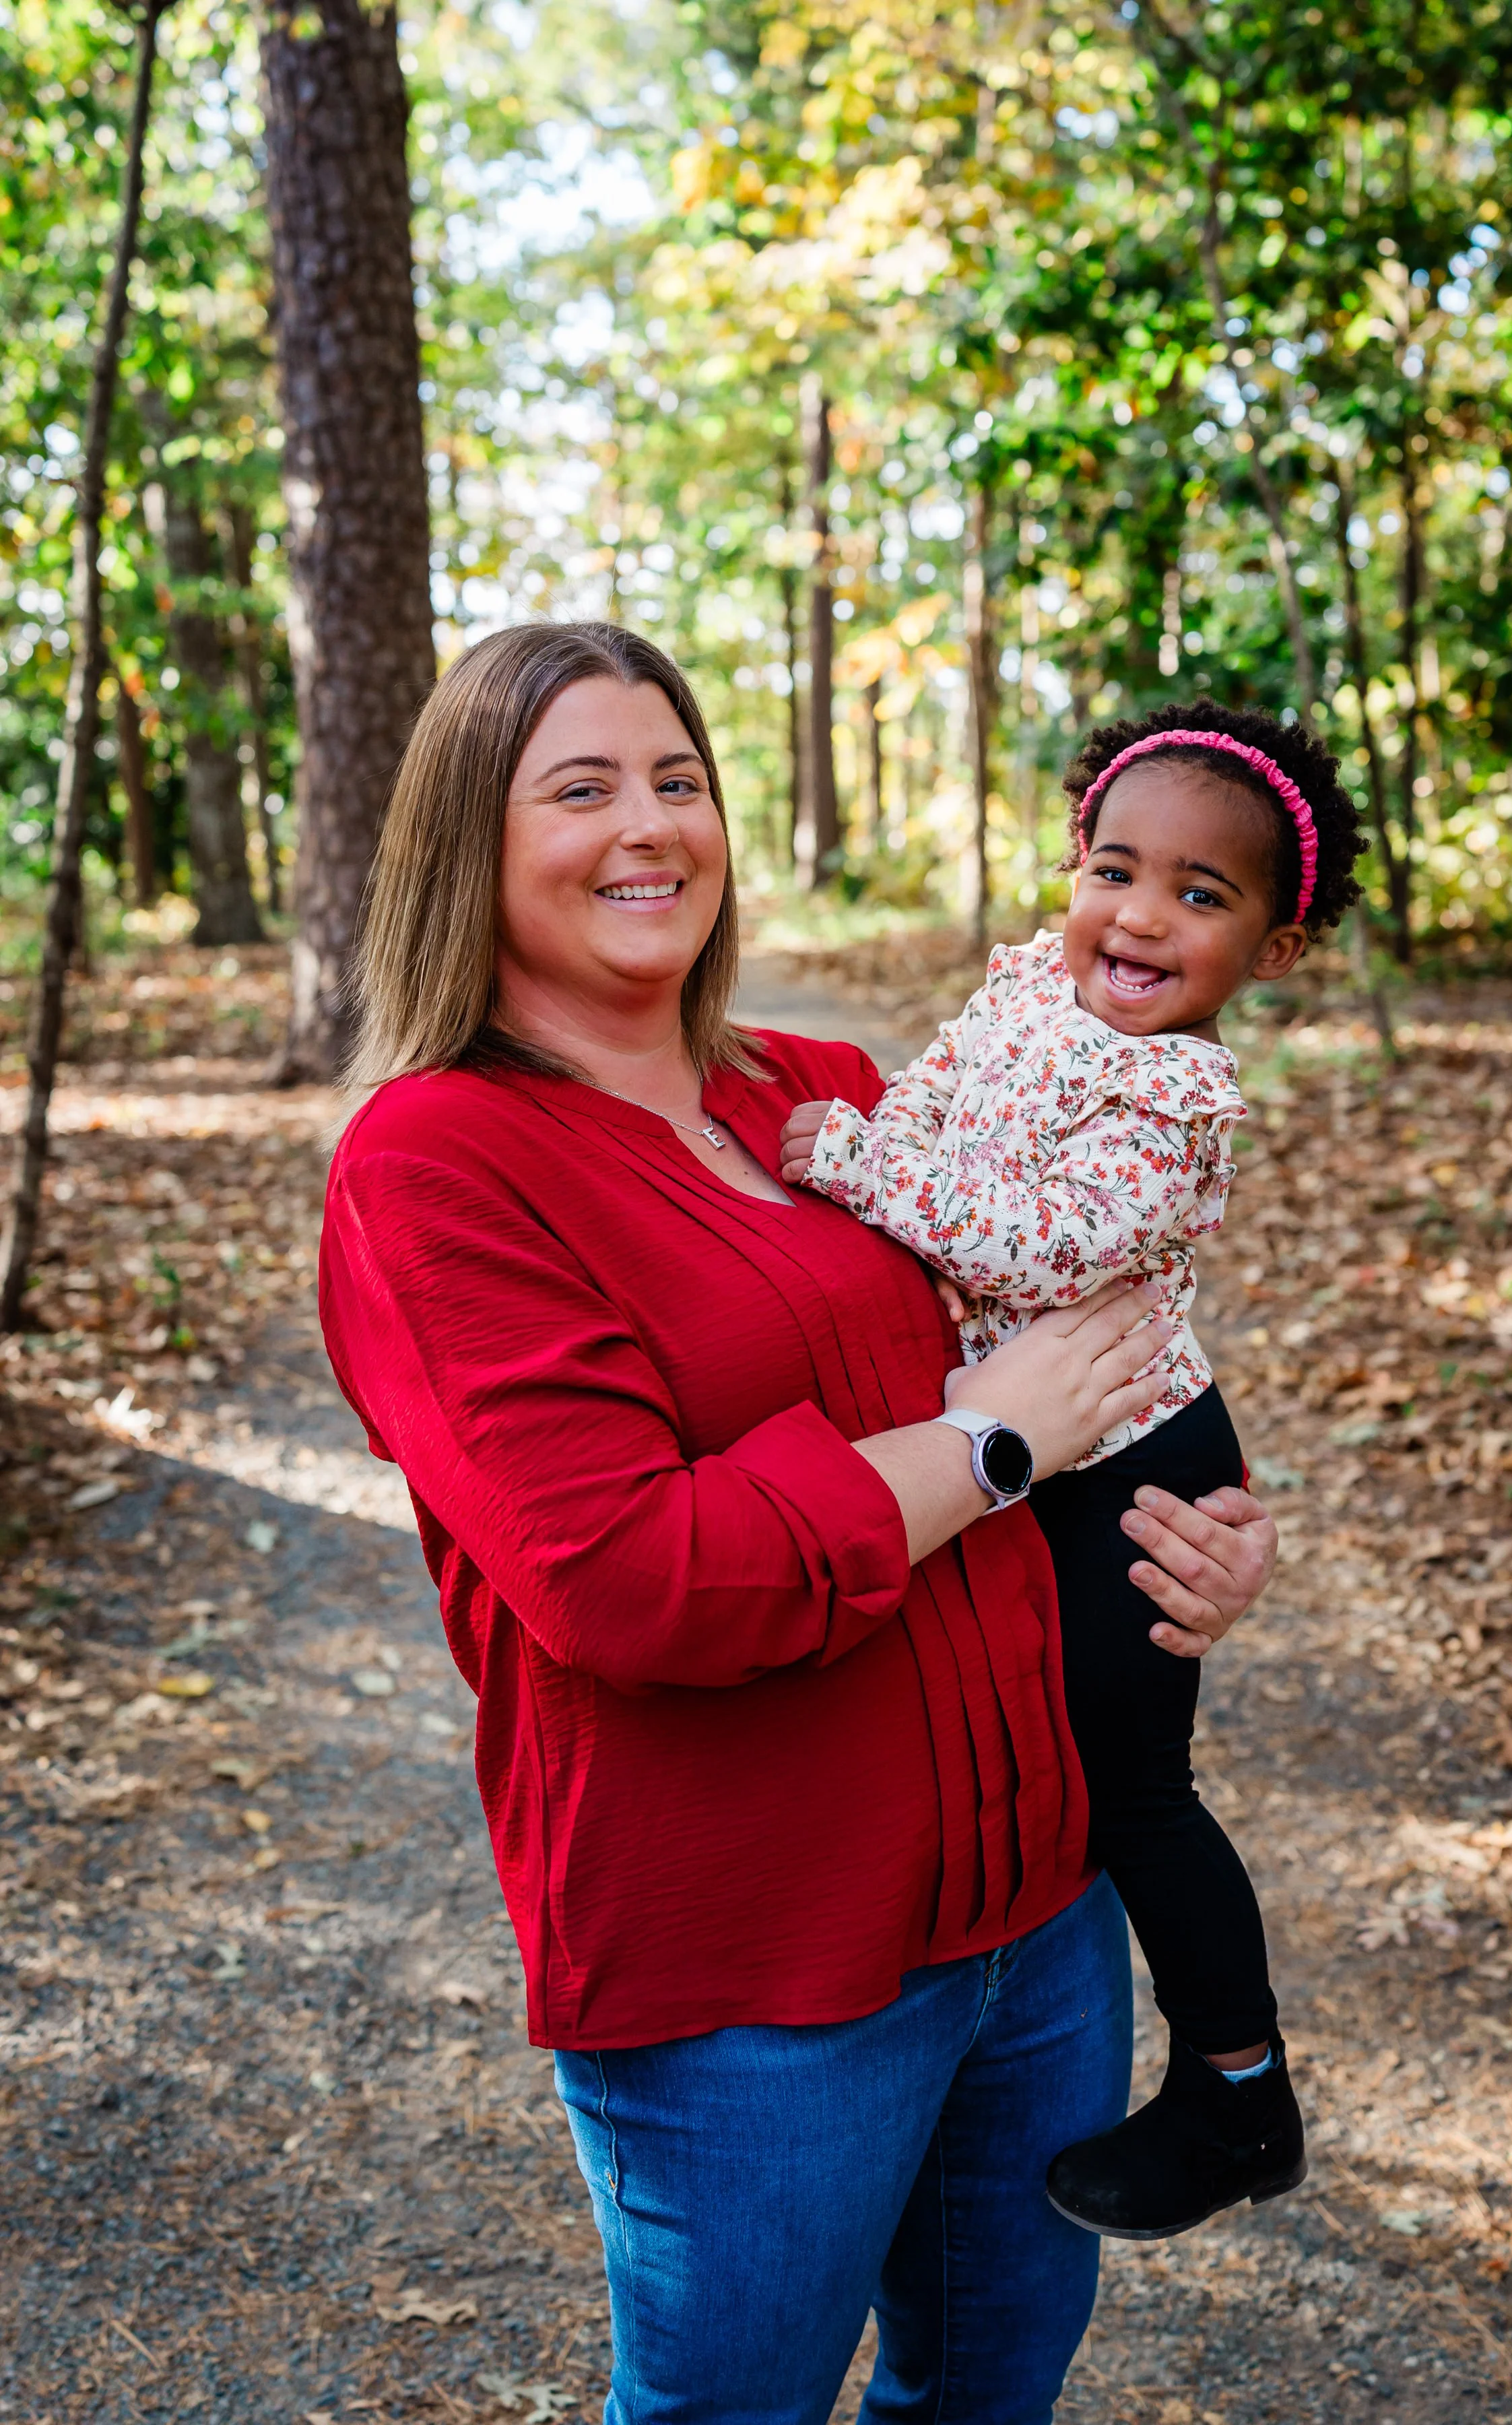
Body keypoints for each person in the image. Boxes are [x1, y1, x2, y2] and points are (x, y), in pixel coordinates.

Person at [319, 624, 1280, 2425]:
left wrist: (1196, 1537)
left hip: (1042, 1909)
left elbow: (1086, 1324)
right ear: (468, 838)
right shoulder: (433, 1167)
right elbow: (629, 1581)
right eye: (583, 786)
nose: (650, 826)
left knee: (987, 2397)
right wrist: (986, 1448)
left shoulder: (816, 1087)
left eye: (679, 780)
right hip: (756, 1979)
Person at [782, 706, 1365, 2241]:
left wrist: (850, 1164)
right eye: (1117, 869)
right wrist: (872, 1161)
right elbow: (930, 1112)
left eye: (1202, 895)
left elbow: (1041, 1244)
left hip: (1133, 1462)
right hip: (1042, 1440)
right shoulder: (1029, 989)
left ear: (1275, 950)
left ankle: (1241, 2095)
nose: (1141, 917)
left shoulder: (1177, 1102)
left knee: (1134, 1788)